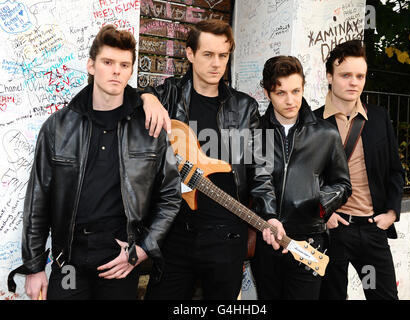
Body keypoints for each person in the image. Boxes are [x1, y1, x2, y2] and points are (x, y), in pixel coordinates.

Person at [7, 25, 181, 300]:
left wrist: (142, 249)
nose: (116, 71)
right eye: (108, 62)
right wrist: (34, 266)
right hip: (69, 263)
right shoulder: (58, 127)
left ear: (131, 71)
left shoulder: (149, 129)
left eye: (124, 64)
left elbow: (170, 197)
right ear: (91, 65)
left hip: (119, 261)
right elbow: (38, 199)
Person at [139, 19, 285, 300]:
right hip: (173, 234)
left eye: (223, 55)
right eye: (208, 54)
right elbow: (124, 100)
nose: (216, 63)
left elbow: (261, 170)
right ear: (190, 54)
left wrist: (270, 216)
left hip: (226, 235)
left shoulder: (246, 107)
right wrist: (146, 97)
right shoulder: (168, 96)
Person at [250, 56, 352, 300]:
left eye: (296, 91)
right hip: (267, 241)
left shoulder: (326, 133)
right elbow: (257, 182)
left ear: (303, 87)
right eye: (280, 92)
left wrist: (317, 204)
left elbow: (343, 184)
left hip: (309, 242)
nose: (290, 100)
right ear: (267, 93)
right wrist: (269, 217)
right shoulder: (256, 134)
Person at [315, 40, 404, 300]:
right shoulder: (312, 122)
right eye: (345, 75)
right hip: (333, 232)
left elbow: (395, 171)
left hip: (372, 230)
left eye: (360, 76)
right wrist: (323, 215)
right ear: (329, 76)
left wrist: (391, 212)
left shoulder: (378, 118)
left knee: (383, 296)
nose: (354, 82)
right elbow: (300, 179)